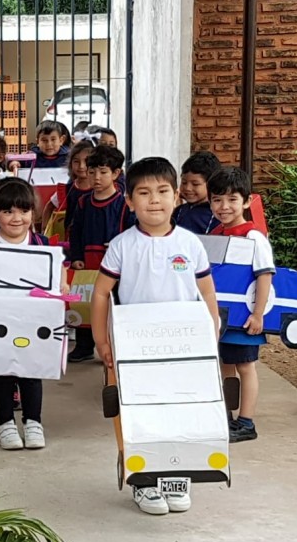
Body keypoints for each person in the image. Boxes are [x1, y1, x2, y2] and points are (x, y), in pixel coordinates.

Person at [91, 157, 219, 515]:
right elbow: (100, 293)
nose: (154, 200)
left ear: (176, 197)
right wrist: (102, 341)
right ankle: (144, 482)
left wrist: (210, 333)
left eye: (163, 191)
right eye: (144, 193)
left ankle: (176, 477)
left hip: (182, 350)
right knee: (140, 415)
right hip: (135, 353)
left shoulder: (190, 244)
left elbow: (207, 292)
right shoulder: (122, 246)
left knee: (178, 412)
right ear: (129, 201)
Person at [0, 178, 69, 450]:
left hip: (34, 321)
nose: (16, 218)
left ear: (33, 212)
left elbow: (60, 268)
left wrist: (63, 283)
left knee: (32, 371)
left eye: (23, 211)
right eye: (8, 211)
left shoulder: (42, 244)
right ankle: (5, 424)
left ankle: (34, 422)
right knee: (3, 372)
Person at [208, 167, 275, 444]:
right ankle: (225, 417)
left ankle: (246, 422)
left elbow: (265, 275)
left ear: (246, 201)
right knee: (225, 364)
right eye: (217, 199)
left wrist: (258, 314)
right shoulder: (215, 233)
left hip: (244, 317)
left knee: (245, 366)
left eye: (232, 199)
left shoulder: (254, 237)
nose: (224, 206)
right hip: (220, 318)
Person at [68, 146, 133, 362]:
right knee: (85, 301)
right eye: (92, 172)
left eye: (103, 172)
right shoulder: (83, 202)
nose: (96, 177)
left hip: (114, 263)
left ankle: (115, 345)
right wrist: (76, 256)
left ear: (116, 173)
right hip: (87, 259)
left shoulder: (124, 205)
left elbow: (131, 233)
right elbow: (75, 231)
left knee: (113, 303)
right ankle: (84, 345)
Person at [42, 140, 94, 235]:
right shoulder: (66, 190)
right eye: (76, 161)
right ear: (70, 164)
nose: (81, 166)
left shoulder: (100, 190)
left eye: (86, 161)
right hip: (71, 239)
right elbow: (49, 207)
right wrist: (44, 230)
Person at [174, 151, 222, 234]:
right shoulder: (179, 211)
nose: (187, 188)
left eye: (195, 184)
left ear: (211, 184)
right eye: (184, 182)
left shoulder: (217, 215)